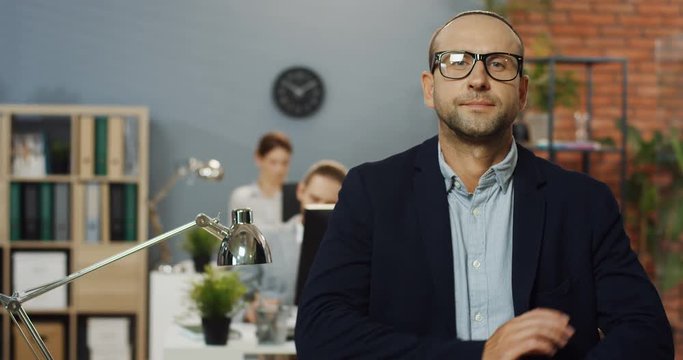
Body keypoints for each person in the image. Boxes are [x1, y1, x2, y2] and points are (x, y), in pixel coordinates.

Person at [295, 10, 673, 359]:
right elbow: (321, 332)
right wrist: (480, 356)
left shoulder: (583, 203)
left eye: (498, 64)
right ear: (430, 88)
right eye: (457, 62)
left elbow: (647, 334)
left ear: (522, 92)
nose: (478, 79)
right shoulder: (372, 192)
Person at [240, 160, 348, 321]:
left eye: (329, 204)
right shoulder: (262, 239)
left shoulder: (350, 249)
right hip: (274, 335)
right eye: (315, 199)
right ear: (300, 191)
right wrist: (250, 312)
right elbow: (231, 301)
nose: (318, 208)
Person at [229, 131, 293, 227]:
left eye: (285, 163)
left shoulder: (295, 198)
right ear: (258, 159)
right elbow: (236, 237)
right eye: (273, 162)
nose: (279, 169)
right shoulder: (241, 197)